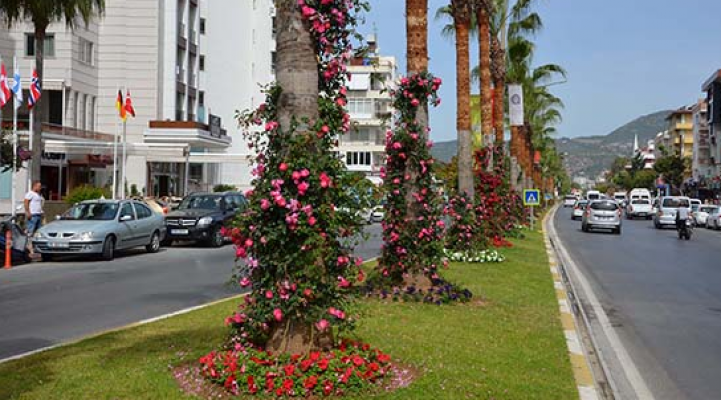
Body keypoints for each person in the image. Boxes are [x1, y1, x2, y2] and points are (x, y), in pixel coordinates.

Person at [24, 181, 45, 255]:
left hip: (38, 214)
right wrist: (28, 212)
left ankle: (36, 247)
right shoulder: (30, 193)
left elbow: (39, 204)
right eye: (39, 186)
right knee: (30, 231)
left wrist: (42, 213)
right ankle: (28, 248)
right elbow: (26, 202)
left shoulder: (38, 195)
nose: (40, 188)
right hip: (33, 215)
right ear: (35, 186)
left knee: (38, 232)